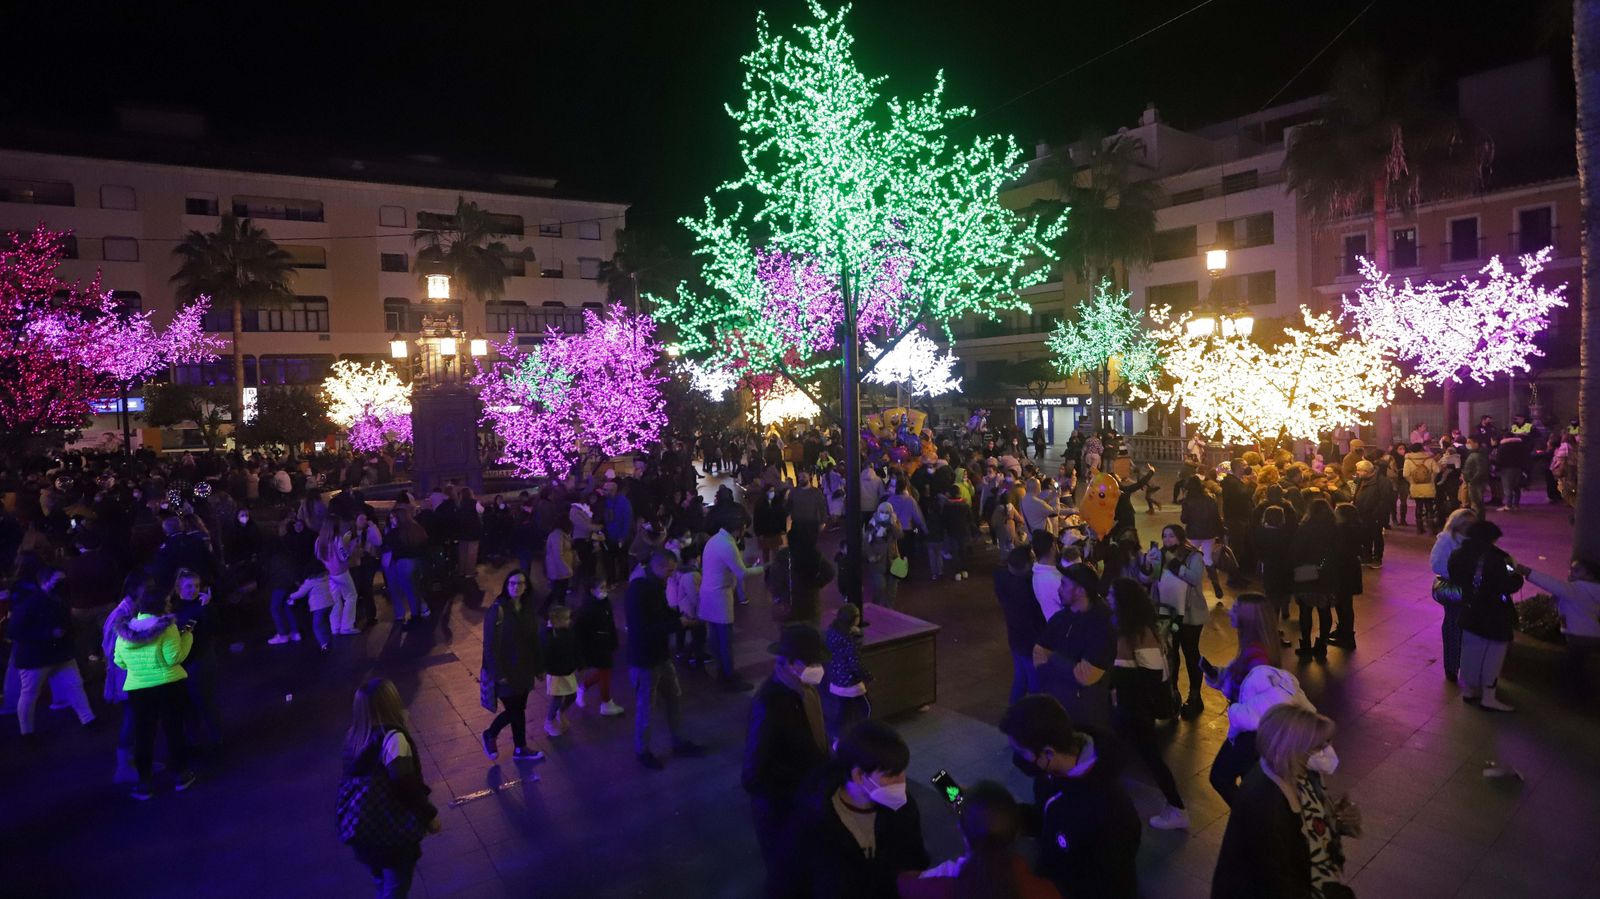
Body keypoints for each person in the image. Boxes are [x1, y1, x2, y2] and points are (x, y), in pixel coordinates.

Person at [1211, 705, 1359, 899]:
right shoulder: (1264, 802)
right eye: (1318, 746)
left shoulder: (1303, 772)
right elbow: (1277, 881)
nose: (1324, 751)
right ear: (1292, 747)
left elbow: (1314, 826)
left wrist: (1339, 820)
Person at [999, 695, 1139, 899]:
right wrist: (1000, 815)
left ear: (1048, 753)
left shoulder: (1114, 812)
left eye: (1021, 752)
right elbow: (1045, 816)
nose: (1018, 760)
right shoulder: (1050, 773)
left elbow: (1108, 885)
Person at [787, 720, 929, 899]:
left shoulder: (903, 807)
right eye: (891, 775)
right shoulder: (814, 816)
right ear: (859, 775)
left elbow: (915, 860)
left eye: (902, 772)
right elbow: (792, 879)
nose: (902, 782)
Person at [744, 624, 832, 898]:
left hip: (805, 800)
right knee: (785, 877)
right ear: (791, 664)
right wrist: (792, 794)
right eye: (812, 662)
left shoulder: (805, 691)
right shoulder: (770, 703)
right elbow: (753, 774)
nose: (818, 667)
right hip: (780, 810)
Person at [1203, 594, 1313, 805]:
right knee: (1249, 784)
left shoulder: (1256, 655)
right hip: (1255, 732)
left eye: (1235, 608)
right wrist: (1222, 677)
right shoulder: (1256, 648)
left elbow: (1254, 694)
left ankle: (1249, 823)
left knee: (1220, 776)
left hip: (1251, 733)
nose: (1229, 611)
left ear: (1248, 617)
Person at [339, 678, 440, 897]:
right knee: (396, 887)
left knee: (381, 880)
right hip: (391, 833)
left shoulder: (354, 736)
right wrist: (429, 817)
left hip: (363, 830)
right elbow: (406, 787)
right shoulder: (393, 739)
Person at [1106, 577, 1187, 830]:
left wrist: (1113, 677)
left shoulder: (1140, 633)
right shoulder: (1130, 630)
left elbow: (1153, 675)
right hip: (1130, 706)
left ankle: (1177, 808)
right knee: (1122, 752)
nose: (1107, 597)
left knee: (1149, 757)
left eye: (1111, 594)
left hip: (1136, 708)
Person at [897, 780, 1062, 899]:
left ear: (961, 828)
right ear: (1017, 832)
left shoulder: (936, 886)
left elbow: (903, 883)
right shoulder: (1046, 890)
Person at [112, 583, 196, 800]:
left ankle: (144, 784)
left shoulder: (125, 630)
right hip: (168, 685)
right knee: (174, 729)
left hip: (139, 690)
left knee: (143, 736)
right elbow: (173, 658)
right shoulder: (167, 627)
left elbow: (119, 661)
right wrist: (187, 637)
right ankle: (181, 775)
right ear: (162, 604)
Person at [627, 551, 705, 769]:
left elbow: (662, 614)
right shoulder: (640, 590)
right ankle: (642, 750)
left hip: (660, 655)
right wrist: (679, 624)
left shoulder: (654, 585)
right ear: (659, 566)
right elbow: (643, 629)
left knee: (674, 697)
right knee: (647, 707)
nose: (671, 575)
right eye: (669, 570)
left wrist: (679, 619)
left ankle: (678, 741)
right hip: (644, 659)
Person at [11, 566, 96, 736]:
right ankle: (26, 732)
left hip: (54, 654)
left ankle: (88, 719)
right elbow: (14, 631)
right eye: (58, 581)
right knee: (30, 695)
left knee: (75, 686)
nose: (62, 584)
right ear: (44, 582)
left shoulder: (57, 599)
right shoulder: (31, 603)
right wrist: (49, 633)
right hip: (37, 657)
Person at [1449, 520, 1524, 711]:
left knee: (1470, 651)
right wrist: (1517, 576)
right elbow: (1508, 585)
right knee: (1493, 654)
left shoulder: (1457, 554)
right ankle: (1488, 696)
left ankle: (1469, 690)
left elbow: (1456, 577)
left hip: (1469, 610)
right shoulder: (1495, 559)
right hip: (1493, 614)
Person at [1036, 565, 1114, 730]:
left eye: (1064, 585)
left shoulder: (1102, 624)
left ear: (1080, 591)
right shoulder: (1060, 618)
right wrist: (1070, 668)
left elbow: (1088, 676)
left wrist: (1054, 660)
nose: (1059, 589)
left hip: (1087, 714)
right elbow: (1038, 654)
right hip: (1060, 706)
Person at [479, 570, 545, 761]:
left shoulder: (527, 610)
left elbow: (534, 640)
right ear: (507, 586)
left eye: (521, 584)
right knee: (515, 710)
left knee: (517, 710)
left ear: (526, 587)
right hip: (506, 672)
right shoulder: (497, 611)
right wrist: (498, 673)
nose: (517, 587)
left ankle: (515, 746)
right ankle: (502, 739)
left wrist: (539, 667)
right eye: (513, 583)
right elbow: (489, 646)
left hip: (523, 670)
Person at [1151, 524, 1207, 718]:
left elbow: (1195, 578)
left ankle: (1195, 696)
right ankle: (1172, 695)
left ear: (1181, 538)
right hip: (1166, 614)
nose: (1167, 540)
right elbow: (1152, 579)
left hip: (1190, 615)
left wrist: (1174, 564)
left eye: (1172, 536)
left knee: (1191, 654)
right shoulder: (1159, 555)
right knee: (1170, 655)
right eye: (1164, 536)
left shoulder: (1194, 556)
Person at [700, 521, 764, 691]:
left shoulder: (714, 540)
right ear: (738, 528)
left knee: (715, 638)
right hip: (719, 596)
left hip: (707, 593)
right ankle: (729, 676)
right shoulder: (727, 545)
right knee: (725, 640)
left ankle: (722, 672)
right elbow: (742, 572)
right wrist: (763, 569)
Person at [1525, 557, 1600, 700]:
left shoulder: (1577, 588)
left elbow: (1549, 583)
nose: (1571, 573)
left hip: (1581, 636)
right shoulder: (1587, 590)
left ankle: (1581, 696)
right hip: (1584, 635)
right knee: (1574, 666)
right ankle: (1581, 695)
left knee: (1571, 667)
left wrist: (1526, 571)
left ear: (1590, 575)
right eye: (1571, 569)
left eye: (1577, 570)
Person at [1431, 509, 1477, 683]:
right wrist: (1462, 574)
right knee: (1454, 625)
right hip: (1456, 590)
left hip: (1473, 590)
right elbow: (1437, 565)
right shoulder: (1446, 540)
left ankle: (1467, 663)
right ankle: (1452, 666)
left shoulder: (1476, 540)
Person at [996, 546, 1045, 704]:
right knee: (1035, 683)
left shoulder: (1002, 578)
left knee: (1021, 678)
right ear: (1026, 565)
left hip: (1015, 638)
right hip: (1030, 642)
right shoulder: (1028, 588)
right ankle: (1032, 718)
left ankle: (1013, 714)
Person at [1290, 500, 1338, 660]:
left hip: (1305, 571)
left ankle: (1305, 645)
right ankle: (1322, 644)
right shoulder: (1334, 528)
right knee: (1324, 610)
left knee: (1305, 610)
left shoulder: (1304, 528)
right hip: (1327, 572)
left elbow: (1296, 552)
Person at [574, 579, 624, 717]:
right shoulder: (587, 608)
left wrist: (613, 641)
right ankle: (606, 702)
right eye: (601, 587)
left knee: (605, 671)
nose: (605, 590)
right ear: (591, 590)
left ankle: (583, 688)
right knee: (606, 671)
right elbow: (580, 631)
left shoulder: (604, 602)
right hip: (596, 645)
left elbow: (610, 623)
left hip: (605, 643)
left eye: (605, 587)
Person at [823, 605, 871, 744]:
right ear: (854, 619)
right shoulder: (850, 639)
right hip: (849, 680)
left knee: (844, 709)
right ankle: (864, 733)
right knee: (865, 707)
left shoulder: (832, 632)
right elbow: (854, 662)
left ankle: (837, 736)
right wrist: (867, 676)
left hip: (835, 676)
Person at [1178, 476, 1225, 598]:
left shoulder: (1187, 501)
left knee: (1189, 559)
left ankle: (1189, 586)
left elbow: (1184, 519)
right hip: (1209, 534)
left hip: (1193, 534)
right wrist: (1220, 533)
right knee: (1208, 559)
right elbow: (1216, 518)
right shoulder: (1209, 499)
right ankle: (1216, 586)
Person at [1328, 503, 1364, 651]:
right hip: (1351, 568)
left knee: (1343, 603)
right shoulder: (1356, 528)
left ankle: (1347, 636)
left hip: (1342, 569)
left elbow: (1334, 550)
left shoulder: (1342, 531)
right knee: (1344, 602)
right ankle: (1343, 630)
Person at [541, 605, 581, 736]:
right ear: (557, 621)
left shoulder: (568, 632)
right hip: (556, 673)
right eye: (566, 619)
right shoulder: (549, 636)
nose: (569, 621)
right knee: (557, 698)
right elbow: (545, 656)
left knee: (572, 695)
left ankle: (561, 712)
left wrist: (577, 662)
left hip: (567, 670)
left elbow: (574, 648)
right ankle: (549, 721)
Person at [1404, 443, 1439, 535]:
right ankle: (1431, 528)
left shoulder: (1408, 460)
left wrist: (1411, 481)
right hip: (1428, 486)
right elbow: (1437, 470)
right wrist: (1432, 479)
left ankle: (1419, 528)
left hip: (1415, 487)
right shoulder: (1429, 458)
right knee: (1429, 506)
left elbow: (1405, 474)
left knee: (1418, 506)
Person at [544, 517, 575, 612]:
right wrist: (566, 569)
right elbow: (558, 555)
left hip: (560, 568)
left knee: (559, 591)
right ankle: (546, 609)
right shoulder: (556, 536)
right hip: (558, 569)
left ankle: (559, 610)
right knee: (558, 591)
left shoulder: (562, 535)